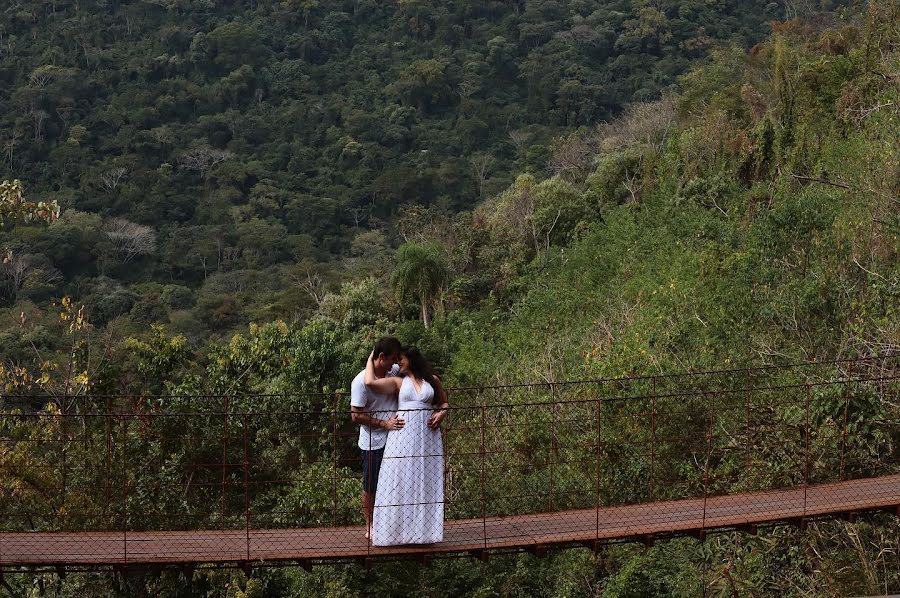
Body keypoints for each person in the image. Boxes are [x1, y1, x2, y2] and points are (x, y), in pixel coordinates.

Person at [364, 346, 449, 546]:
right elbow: (370, 383)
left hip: (427, 436)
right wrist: (372, 356)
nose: (397, 363)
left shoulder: (432, 381)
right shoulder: (398, 382)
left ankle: (423, 532)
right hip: (402, 436)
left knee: (424, 478)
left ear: (411, 360)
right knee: (399, 476)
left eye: (401, 359)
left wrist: (441, 414)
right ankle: (395, 532)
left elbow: (444, 403)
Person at [350, 336, 404, 538]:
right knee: (371, 484)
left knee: (396, 482)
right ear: (381, 356)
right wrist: (383, 423)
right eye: (393, 358)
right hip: (374, 442)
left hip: (397, 438)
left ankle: (393, 523)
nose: (396, 362)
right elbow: (356, 416)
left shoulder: (394, 372)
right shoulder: (360, 382)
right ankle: (370, 525)